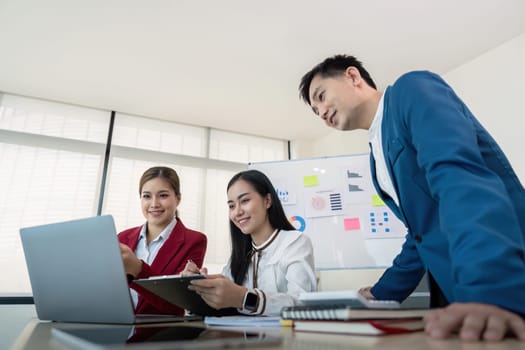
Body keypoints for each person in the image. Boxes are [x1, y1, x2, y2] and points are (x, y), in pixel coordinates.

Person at [299, 55, 525, 341]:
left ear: (353, 76)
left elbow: (461, 181)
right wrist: (379, 295)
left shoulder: (411, 89)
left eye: (321, 96)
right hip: (459, 303)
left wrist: (491, 291)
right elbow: (422, 234)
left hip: (502, 287)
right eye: (315, 110)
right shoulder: (376, 155)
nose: (320, 112)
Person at [183, 169, 317, 316]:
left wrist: (244, 298)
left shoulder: (295, 242)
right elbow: (222, 304)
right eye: (231, 206)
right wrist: (198, 287)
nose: (237, 212)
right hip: (242, 337)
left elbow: (302, 304)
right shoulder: (239, 255)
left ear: (267, 201)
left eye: (245, 201)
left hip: (286, 337)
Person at [118, 166, 207, 316]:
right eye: (147, 196)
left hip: (160, 333)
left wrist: (139, 269)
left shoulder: (194, 241)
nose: (154, 204)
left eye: (163, 195)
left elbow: (176, 304)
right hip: (117, 329)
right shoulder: (122, 238)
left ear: (178, 198)